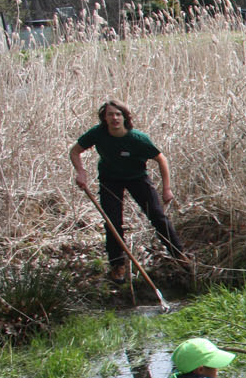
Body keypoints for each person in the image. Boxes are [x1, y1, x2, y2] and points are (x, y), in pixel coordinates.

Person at [69, 99, 187, 283]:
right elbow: (75, 151)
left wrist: (167, 189)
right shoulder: (98, 133)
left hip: (137, 178)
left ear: (124, 117)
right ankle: (117, 265)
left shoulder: (137, 139)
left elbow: (161, 159)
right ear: (105, 118)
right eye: (110, 114)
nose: (115, 118)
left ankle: (179, 255)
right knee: (112, 222)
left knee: (157, 215)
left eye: (118, 114)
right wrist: (81, 173)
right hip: (110, 179)